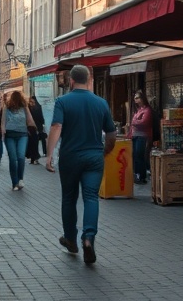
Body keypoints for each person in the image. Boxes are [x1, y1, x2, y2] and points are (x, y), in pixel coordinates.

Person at [46, 64, 116, 265]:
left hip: (70, 157)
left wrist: (49, 155)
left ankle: (70, 239)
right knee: (91, 198)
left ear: (71, 81)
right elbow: (111, 134)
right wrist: (105, 152)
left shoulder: (62, 101)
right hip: (94, 157)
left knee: (69, 198)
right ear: (89, 80)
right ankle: (88, 238)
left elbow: (57, 126)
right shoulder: (101, 103)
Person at [0, 90, 36, 191]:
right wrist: (3, 133)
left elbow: (29, 119)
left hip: (22, 135)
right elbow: (3, 121)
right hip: (9, 135)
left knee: (20, 157)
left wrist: (34, 128)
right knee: (13, 159)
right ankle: (14, 182)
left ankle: (20, 179)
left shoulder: (24, 107)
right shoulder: (6, 107)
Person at [129, 89, 153, 185]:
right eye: (135, 98)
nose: (135, 100)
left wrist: (135, 122)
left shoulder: (147, 110)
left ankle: (142, 176)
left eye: (137, 98)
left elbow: (144, 122)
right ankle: (137, 175)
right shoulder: (138, 111)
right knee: (135, 156)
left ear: (142, 98)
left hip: (142, 136)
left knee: (140, 156)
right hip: (135, 135)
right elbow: (133, 123)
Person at [26, 95, 46, 164]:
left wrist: (42, 126)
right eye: (30, 101)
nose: (31, 103)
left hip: (37, 128)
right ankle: (32, 158)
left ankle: (36, 158)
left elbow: (41, 117)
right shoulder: (28, 108)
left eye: (32, 102)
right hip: (30, 128)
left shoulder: (37, 108)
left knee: (35, 143)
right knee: (31, 144)